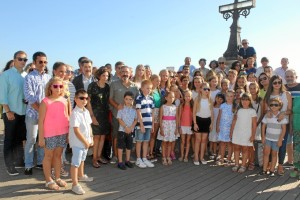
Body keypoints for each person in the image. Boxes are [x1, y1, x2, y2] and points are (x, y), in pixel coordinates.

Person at [38, 77, 69, 190]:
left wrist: (68, 134)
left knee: (58, 156)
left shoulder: (65, 100)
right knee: (48, 156)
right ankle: (48, 180)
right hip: (49, 134)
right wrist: (41, 138)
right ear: (50, 87)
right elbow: (40, 121)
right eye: (55, 86)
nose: (58, 88)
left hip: (62, 132)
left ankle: (57, 177)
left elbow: (67, 117)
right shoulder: (45, 101)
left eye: (60, 86)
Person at [24, 51, 52, 175]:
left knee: (43, 139)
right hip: (32, 114)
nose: (43, 64)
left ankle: (41, 162)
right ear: (34, 62)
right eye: (40, 62)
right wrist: (41, 110)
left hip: (46, 116)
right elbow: (29, 97)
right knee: (31, 140)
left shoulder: (48, 78)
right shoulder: (29, 77)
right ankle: (28, 165)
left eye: (45, 62)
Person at [0, 51, 27, 175]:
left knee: (19, 139)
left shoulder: (26, 75)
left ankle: (18, 161)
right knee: (9, 140)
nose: (22, 61)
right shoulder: (6, 75)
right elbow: (2, 95)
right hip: (11, 112)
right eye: (20, 59)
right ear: (14, 59)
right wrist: (8, 110)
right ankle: (9, 165)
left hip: (23, 112)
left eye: (24, 59)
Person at [109, 66, 139, 164]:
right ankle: (115, 156)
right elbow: (110, 99)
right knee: (116, 136)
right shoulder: (113, 84)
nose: (124, 74)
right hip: (117, 115)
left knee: (128, 137)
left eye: (127, 72)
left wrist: (134, 106)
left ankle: (126, 157)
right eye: (122, 72)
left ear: (130, 73)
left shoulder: (135, 86)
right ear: (119, 73)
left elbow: (136, 101)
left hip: (130, 118)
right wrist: (117, 106)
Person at [264, 75, 292, 175]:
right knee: (270, 145)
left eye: (279, 82)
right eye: (275, 82)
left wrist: (283, 113)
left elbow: (290, 110)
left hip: (283, 123)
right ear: (271, 83)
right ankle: (270, 165)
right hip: (271, 124)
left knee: (282, 145)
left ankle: (280, 166)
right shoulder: (268, 95)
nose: (277, 84)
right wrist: (268, 112)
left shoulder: (286, 94)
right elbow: (266, 109)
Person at [69, 89, 94, 194]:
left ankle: (81, 175)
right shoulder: (75, 113)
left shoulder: (86, 111)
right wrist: (84, 141)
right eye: (81, 98)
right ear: (75, 99)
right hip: (78, 143)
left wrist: (91, 138)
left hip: (85, 142)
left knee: (82, 160)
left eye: (86, 98)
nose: (84, 100)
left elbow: (89, 126)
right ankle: (74, 184)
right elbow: (76, 130)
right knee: (75, 163)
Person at [87, 68, 110, 168]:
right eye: (104, 75)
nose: (105, 77)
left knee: (103, 136)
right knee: (96, 137)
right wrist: (92, 116)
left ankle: (99, 156)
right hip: (95, 114)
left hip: (105, 114)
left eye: (107, 76)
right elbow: (88, 101)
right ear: (99, 75)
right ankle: (94, 158)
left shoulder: (107, 87)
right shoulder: (92, 86)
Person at [260, 98, 288, 177]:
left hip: (276, 140)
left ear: (280, 106)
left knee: (274, 154)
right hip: (268, 138)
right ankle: (264, 170)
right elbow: (263, 126)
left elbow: (284, 129)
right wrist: (263, 136)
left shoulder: (281, 116)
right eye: (271, 105)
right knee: (266, 153)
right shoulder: (268, 115)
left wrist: (280, 140)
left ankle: (272, 170)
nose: (273, 106)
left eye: (276, 105)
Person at [231, 93, 257, 173]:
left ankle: (243, 165)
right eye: (243, 100)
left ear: (250, 101)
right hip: (237, 131)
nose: (244, 102)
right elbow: (234, 121)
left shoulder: (252, 111)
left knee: (245, 149)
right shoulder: (238, 110)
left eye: (246, 100)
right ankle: (236, 164)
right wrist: (231, 131)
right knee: (236, 147)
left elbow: (254, 125)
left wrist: (253, 135)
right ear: (240, 101)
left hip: (247, 133)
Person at [135, 79, 155, 168]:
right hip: (141, 124)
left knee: (146, 141)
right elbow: (138, 112)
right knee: (139, 141)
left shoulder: (151, 99)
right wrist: (141, 124)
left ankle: (144, 158)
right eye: (147, 88)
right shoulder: (139, 98)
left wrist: (153, 124)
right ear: (142, 88)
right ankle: (138, 159)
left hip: (149, 124)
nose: (149, 90)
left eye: (150, 89)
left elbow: (152, 113)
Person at [192, 82, 214, 165]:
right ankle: (196, 157)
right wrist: (194, 123)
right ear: (201, 90)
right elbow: (194, 112)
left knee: (204, 140)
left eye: (208, 89)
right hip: (198, 120)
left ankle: (201, 157)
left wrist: (211, 123)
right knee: (198, 140)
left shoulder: (210, 100)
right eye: (205, 89)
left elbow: (212, 113)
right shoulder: (197, 99)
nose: (206, 91)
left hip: (207, 121)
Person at [116, 91, 138, 170]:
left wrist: (131, 127)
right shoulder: (121, 108)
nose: (128, 101)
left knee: (129, 146)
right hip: (122, 130)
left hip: (130, 130)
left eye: (130, 99)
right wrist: (126, 127)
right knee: (121, 146)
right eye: (126, 99)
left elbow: (136, 119)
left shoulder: (134, 110)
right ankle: (120, 162)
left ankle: (127, 160)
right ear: (124, 99)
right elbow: (119, 119)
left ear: (133, 100)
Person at [284, 70, 300, 174]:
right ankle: (295, 165)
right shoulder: (283, 87)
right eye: (287, 76)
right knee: (292, 143)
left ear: (296, 76)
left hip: (298, 118)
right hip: (287, 118)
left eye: (291, 76)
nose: (289, 78)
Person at [216, 90, 235, 166]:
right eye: (228, 96)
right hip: (223, 127)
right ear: (225, 97)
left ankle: (229, 159)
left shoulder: (235, 106)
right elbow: (219, 116)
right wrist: (217, 126)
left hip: (231, 127)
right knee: (223, 143)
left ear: (233, 97)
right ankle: (221, 158)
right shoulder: (222, 105)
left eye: (231, 96)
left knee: (230, 144)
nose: (229, 98)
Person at [158, 91, 177, 165]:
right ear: (166, 98)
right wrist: (161, 128)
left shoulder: (175, 107)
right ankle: (163, 157)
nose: (172, 99)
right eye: (170, 97)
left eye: (173, 97)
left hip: (172, 126)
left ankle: (168, 156)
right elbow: (160, 118)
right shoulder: (163, 107)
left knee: (170, 142)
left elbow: (177, 118)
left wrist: (176, 128)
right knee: (164, 142)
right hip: (165, 126)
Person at [209, 93, 225, 160]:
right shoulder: (212, 105)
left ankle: (215, 152)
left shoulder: (222, 107)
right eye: (218, 98)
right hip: (212, 123)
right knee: (211, 138)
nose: (219, 100)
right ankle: (210, 151)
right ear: (215, 98)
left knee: (215, 139)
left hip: (218, 124)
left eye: (221, 99)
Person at [178, 90, 193, 162]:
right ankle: (182, 155)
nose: (188, 97)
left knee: (188, 141)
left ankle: (186, 156)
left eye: (189, 96)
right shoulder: (181, 105)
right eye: (186, 96)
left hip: (190, 126)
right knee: (182, 141)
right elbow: (179, 116)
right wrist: (179, 126)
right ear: (183, 97)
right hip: (183, 125)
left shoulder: (192, 106)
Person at [149, 74, 162, 160]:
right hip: (150, 113)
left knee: (154, 134)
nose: (158, 82)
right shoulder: (149, 91)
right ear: (152, 80)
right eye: (157, 80)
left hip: (157, 113)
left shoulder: (158, 91)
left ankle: (151, 152)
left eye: (159, 81)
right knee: (149, 134)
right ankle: (146, 152)